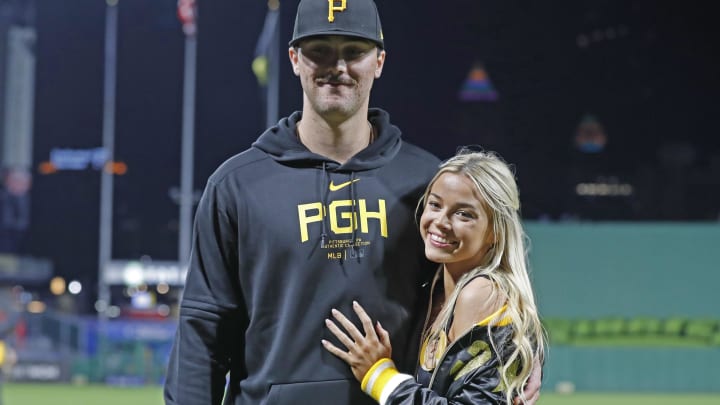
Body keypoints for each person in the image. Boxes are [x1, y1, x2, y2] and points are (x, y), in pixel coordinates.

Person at [163, 0, 441, 403]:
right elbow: (205, 327)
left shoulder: (428, 181)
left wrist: (519, 352)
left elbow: (472, 293)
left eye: (354, 51)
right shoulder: (237, 185)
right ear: (294, 59)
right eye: (320, 51)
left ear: (379, 61)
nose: (337, 67)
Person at [323, 150, 546, 404]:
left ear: (496, 231)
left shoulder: (480, 293)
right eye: (435, 205)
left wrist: (379, 376)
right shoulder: (438, 286)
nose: (440, 221)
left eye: (464, 214)